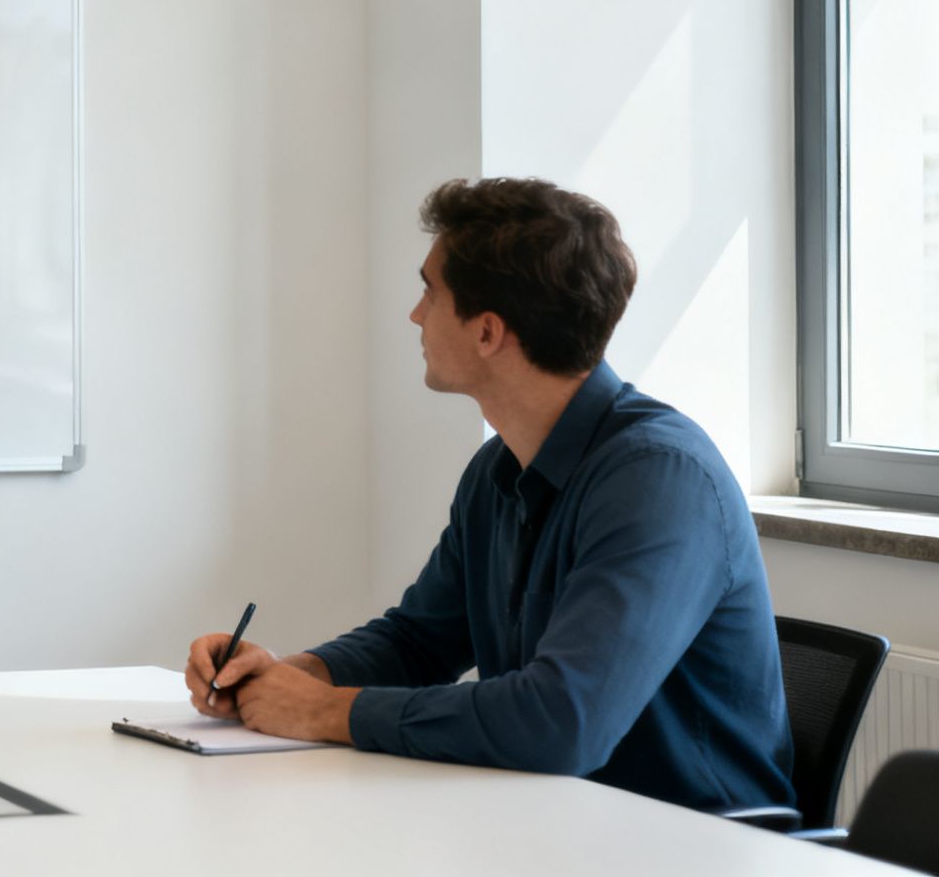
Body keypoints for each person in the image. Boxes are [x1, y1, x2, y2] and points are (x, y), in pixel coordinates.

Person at [187, 177, 795, 812]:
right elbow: (418, 641)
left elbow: (564, 722)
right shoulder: (497, 469)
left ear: (487, 332)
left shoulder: (661, 481)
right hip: (557, 825)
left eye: (430, 291)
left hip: (692, 849)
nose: (415, 314)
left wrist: (327, 712)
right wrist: (293, 676)